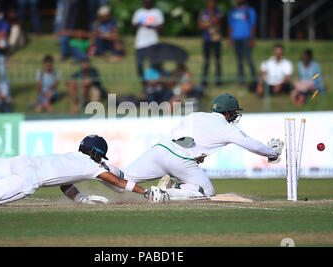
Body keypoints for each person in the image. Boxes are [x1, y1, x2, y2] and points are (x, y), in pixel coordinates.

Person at [0, 106, 167, 205]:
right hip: (29, 177)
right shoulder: (92, 167)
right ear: (98, 154)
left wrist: (82, 200)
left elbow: (65, 186)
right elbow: (117, 181)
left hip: (21, 162)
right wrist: (145, 192)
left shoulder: (71, 158)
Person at [120, 93, 283, 201]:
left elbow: (182, 138)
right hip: (181, 160)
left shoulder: (196, 115)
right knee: (206, 193)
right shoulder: (228, 128)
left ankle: (94, 190)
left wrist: (195, 153)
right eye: (233, 113)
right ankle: (167, 192)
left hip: (161, 148)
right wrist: (272, 153)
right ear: (227, 114)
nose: (233, 117)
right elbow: (250, 144)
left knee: (121, 178)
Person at [132, 0, 164, 85]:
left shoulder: (157, 12)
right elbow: (133, 28)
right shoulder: (138, 12)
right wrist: (139, 24)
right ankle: (144, 84)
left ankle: (153, 84)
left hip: (152, 42)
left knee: (153, 65)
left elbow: (161, 28)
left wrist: (152, 26)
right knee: (139, 65)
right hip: (140, 43)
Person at [228, 0, 257, 87]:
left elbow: (253, 26)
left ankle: (255, 80)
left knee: (248, 59)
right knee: (239, 61)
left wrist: (252, 40)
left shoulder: (250, 11)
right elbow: (230, 26)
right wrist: (230, 39)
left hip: (246, 38)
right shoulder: (232, 11)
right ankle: (241, 80)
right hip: (236, 38)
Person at [199, 0, 223, 87]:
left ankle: (219, 81)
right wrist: (209, 23)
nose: (211, 3)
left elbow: (217, 21)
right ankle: (204, 81)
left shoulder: (218, 11)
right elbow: (200, 25)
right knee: (206, 61)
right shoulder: (203, 12)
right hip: (206, 39)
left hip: (216, 39)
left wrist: (209, 21)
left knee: (217, 61)